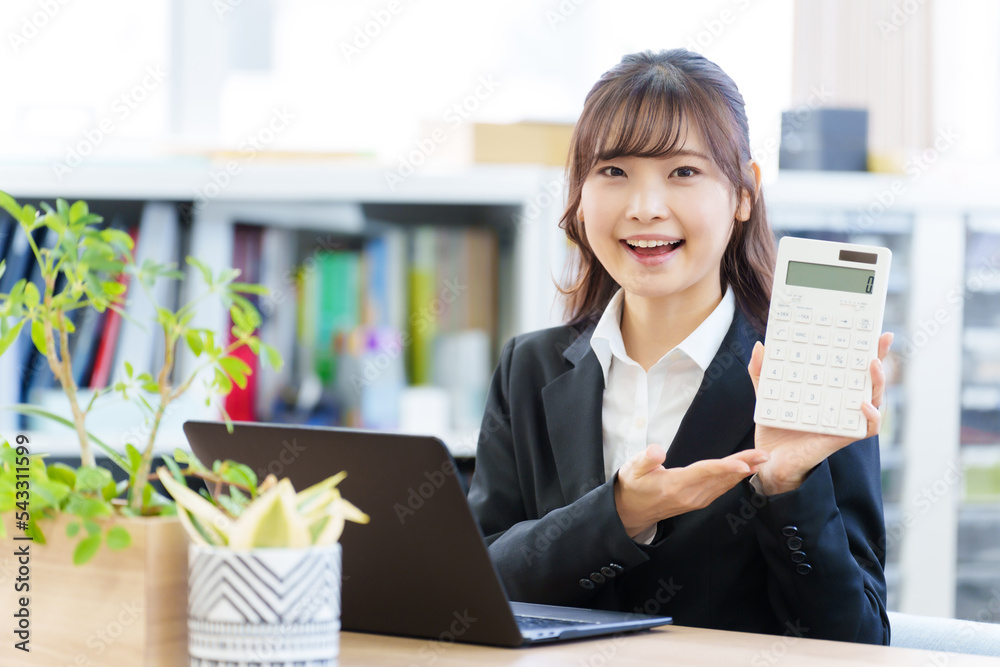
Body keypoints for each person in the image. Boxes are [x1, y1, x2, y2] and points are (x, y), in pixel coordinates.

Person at [466, 48, 893, 645]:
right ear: (580, 194)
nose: (645, 208)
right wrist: (619, 516)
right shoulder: (530, 368)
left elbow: (859, 643)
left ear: (744, 193)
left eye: (683, 172)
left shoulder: (802, 373)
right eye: (613, 172)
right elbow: (474, 587)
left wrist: (787, 487)